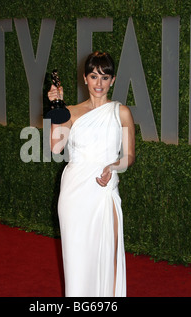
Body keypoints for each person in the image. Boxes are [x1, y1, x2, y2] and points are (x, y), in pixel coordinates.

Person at [48, 51, 135, 297]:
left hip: (104, 192)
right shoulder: (71, 112)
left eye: (105, 77)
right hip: (74, 195)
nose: (99, 83)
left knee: (106, 258)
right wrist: (56, 107)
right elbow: (56, 147)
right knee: (77, 264)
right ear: (85, 78)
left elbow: (128, 156)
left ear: (113, 80)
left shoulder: (122, 113)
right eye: (94, 76)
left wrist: (112, 168)